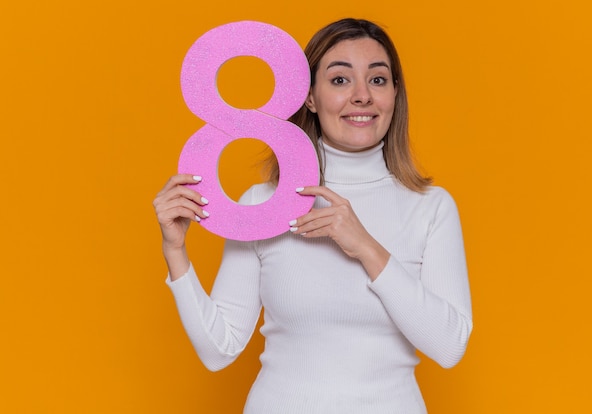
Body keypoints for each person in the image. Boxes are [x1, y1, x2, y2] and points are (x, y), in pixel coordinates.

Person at [153, 17, 473, 414]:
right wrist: (175, 251)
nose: (362, 96)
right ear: (308, 97)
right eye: (340, 80)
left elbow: (449, 346)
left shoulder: (430, 207)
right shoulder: (261, 204)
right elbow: (219, 350)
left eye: (377, 80)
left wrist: (366, 247)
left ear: (395, 93)